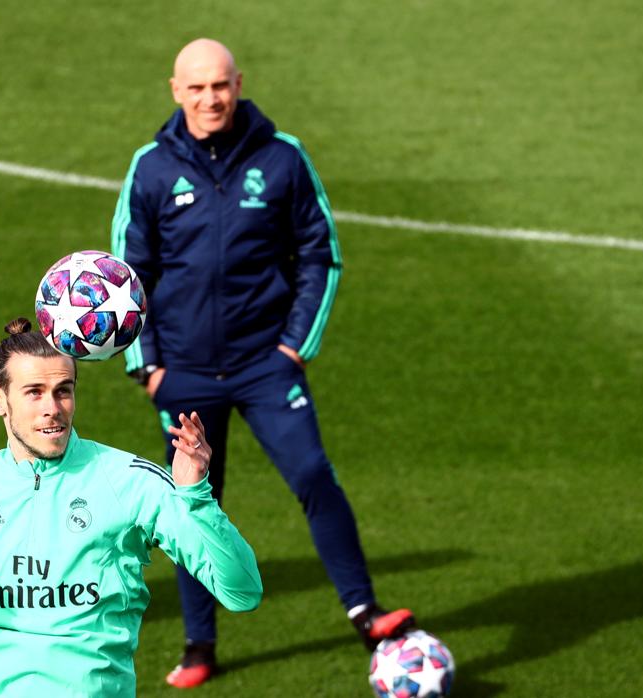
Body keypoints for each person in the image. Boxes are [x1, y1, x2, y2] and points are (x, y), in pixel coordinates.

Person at [110, 38, 416, 688]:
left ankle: (366, 614)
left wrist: (293, 345)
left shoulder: (282, 159)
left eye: (219, 85)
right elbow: (128, 272)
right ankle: (199, 646)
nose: (209, 98)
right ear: (175, 90)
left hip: (264, 365)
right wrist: (149, 366)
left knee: (312, 474)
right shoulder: (152, 168)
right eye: (196, 88)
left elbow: (319, 253)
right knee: (195, 503)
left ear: (238, 84)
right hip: (185, 372)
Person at [0, 318, 263, 697]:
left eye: (63, 390)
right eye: (33, 392)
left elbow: (242, 592)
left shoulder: (131, 481)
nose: (52, 407)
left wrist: (195, 496)